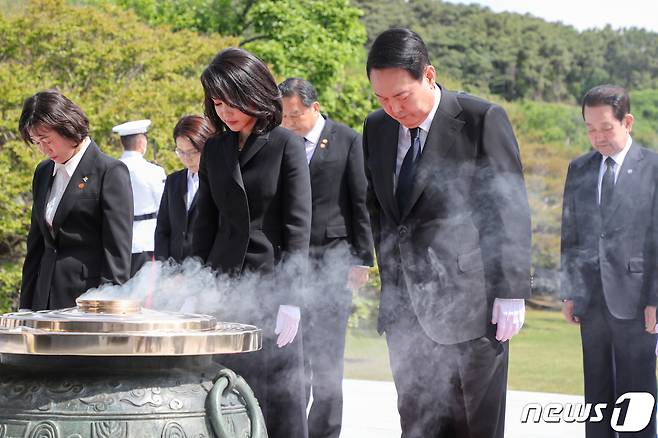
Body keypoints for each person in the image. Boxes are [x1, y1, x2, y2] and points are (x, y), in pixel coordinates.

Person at [363, 28, 532, 438]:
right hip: (405, 311)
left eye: (401, 96)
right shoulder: (377, 128)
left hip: (471, 308)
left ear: (429, 75)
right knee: (417, 424)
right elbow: (380, 211)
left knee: (475, 425)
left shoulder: (479, 119)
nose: (392, 108)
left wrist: (511, 292)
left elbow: (507, 208)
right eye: (381, 98)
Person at [192, 48, 311, 438]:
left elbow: (298, 227)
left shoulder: (286, 145)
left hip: (273, 288)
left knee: (280, 396)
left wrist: (292, 298)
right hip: (224, 290)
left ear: (255, 92)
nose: (224, 111)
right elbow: (203, 224)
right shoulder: (214, 148)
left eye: (232, 100)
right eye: (217, 101)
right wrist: (196, 286)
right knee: (225, 391)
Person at [560, 84, 658, 438]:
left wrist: (655, 300)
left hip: (636, 301)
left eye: (605, 127)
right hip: (592, 300)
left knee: (636, 397)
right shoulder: (580, 168)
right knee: (597, 398)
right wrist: (570, 291)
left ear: (627, 122)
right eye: (590, 128)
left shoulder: (653, 168)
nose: (597, 136)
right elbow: (570, 234)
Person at [279, 77, 374, 438]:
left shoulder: (346, 139)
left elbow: (360, 200)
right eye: (283, 116)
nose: (288, 123)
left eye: (295, 115)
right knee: (293, 354)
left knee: (328, 357)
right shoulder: (281, 143)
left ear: (314, 107)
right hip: (292, 263)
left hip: (333, 260)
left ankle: (326, 431)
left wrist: (361, 258)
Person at [18, 90, 133, 311]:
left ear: (67, 127)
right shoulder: (43, 172)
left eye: (47, 140)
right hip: (44, 299)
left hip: (86, 301)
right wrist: (26, 307)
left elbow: (117, 252)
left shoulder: (109, 171)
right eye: (36, 142)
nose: (43, 149)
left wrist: (107, 310)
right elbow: (37, 243)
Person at [154, 115, 214, 263]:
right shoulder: (173, 181)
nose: (187, 159)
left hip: (206, 272)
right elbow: (163, 228)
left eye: (193, 152)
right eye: (181, 152)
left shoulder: (217, 182)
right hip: (174, 273)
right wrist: (166, 268)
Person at [113, 119, 166, 276]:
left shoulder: (110, 169)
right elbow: (163, 205)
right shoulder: (153, 171)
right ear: (142, 142)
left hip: (120, 241)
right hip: (147, 240)